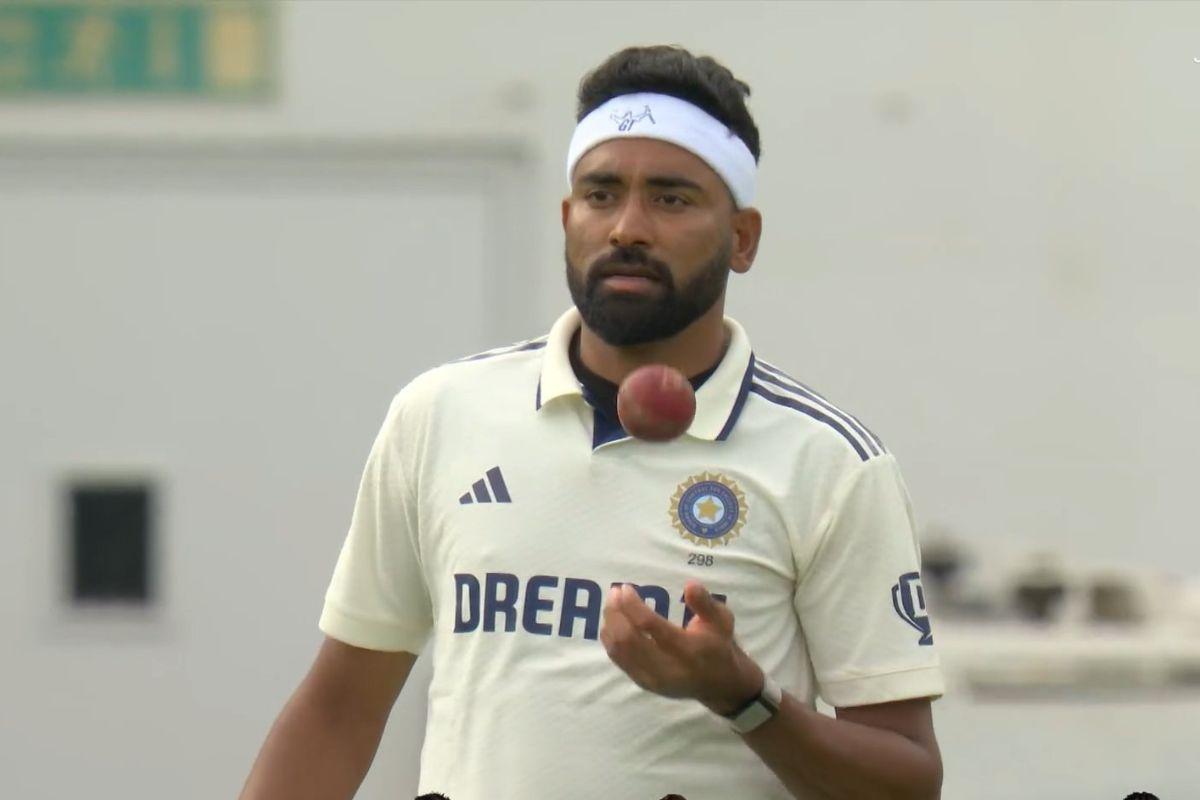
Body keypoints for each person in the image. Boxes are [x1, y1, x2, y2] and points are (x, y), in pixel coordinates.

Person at [239, 45, 944, 800]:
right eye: (602, 194)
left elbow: (906, 780)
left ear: (742, 237)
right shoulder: (440, 415)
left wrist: (745, 697)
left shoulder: (829, 464)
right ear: (568, 217)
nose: (627, 228)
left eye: (671, 199)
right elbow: (340, 710)